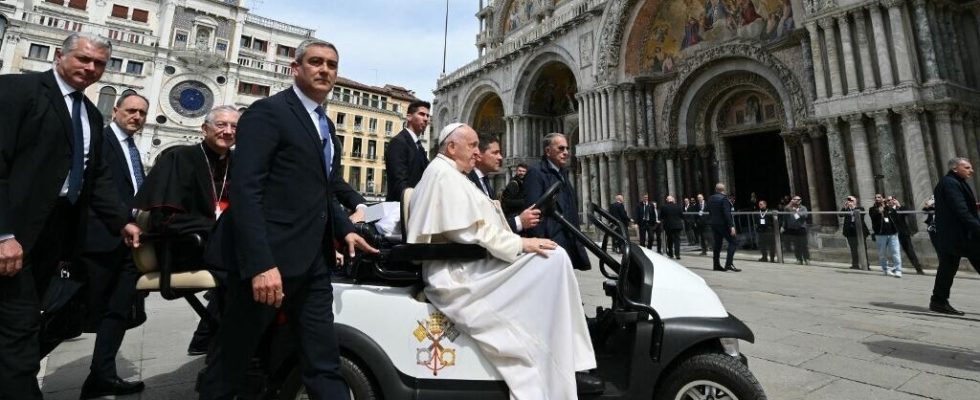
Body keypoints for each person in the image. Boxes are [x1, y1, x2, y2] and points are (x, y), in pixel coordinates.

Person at [197, 39, 377, 399]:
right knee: (232, 359)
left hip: (313, 263)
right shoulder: (268, 113)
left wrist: (345, 230)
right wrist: (261, 264)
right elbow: (246, 192)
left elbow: (323, 190)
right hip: (268, 264)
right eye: (315, 62)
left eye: (331, 64)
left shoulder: (326, 127)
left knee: (323, 359)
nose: (324, 69)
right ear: (296, 69)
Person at [407, 123, 602, 398]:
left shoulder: (450, 174)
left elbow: (476, 227)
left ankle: (569, 359)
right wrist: (522, 243)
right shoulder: (443, 176)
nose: (478, 153)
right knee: (552, 260)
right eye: (473, 146)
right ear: (452, 147)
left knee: (553, 256)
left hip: (466, 262)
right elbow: (471, 231)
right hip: (456, 274)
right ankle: (554, 362)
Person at [0, 32, 141, 400]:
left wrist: (121, 221)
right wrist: (3, 234)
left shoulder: (90, 115)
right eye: (83, 59)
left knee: (27, 321)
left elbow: (97, 179)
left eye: (99, 63)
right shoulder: (18, 91)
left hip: (56, 235)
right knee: (19, 324)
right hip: (14, 232)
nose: (90, 68)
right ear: (60, 55)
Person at [135, 105, 241, 356]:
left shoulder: (239, 163)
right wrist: (218, 229)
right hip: (184, 245)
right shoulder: (180, 157)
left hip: (224, 244)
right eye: (221, 125)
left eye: (234, 127)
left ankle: (212, 338)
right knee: (246, 268)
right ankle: (230, 345)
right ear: (204, 128)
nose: (228, 131)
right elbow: (164, 218)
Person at [78, 93, 150, 398]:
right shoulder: (101, 142)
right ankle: (17, 375)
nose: (136, 116)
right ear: (116, 110)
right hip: (99, 239)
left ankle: (102, 375)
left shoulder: (133, 148)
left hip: (128, 244)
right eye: (131, 111)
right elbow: (94, 188)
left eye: (142, 113)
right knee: (71, 314)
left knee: (117, 312)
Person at [524, 133, 591, 270]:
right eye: (561, 148)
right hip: (552, 243)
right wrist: (544, 241)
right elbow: (534, 213)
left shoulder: (562, 173)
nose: (566, 152)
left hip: (569, 239)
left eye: (567, 148)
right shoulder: (536, 173)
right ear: (548, 151)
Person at [930, 158, 980, 315]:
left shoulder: (953, 181)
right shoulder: (951, 183)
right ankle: (938, 301)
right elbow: (960, 210)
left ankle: (938, 301)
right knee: (948, 266)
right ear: (955, 168)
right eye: (967, 167)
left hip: (952, 236)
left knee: (947, 267)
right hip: (961, 236)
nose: (971, 170)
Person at [466, 132, 540, 233]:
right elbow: (479, 229)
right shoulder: (467, 182)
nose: (500, 157)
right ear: (478, 155)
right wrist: (519, 221)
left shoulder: (484, 181)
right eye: (495, 153)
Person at [384, 100, 430, 201]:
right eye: (422, 114)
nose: (426, 119)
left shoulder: (419, 146)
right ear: (409, 117)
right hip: (401, 209)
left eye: (427, 115)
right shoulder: (398, 142)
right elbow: (399, 183)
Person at [707, 183, 740, 272]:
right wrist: (731, 226)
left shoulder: (710, 198)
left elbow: (709, 210)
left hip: (714, 224)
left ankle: (716, 265)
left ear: (716, 189)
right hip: (723, 224)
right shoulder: (724, 199)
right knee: (733, 241)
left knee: (717, 244)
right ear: (723, 190)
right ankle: (729, 264)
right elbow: (727, 214)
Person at [869, 194, 903, 277]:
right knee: (882, 253)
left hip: (892, 233)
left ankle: (898, 270)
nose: (877, 199)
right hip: (880, 234)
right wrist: (879, 211)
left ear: (883, 199)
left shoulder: (889, 208)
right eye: (876, 198)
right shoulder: (872, 209)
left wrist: (889, 207)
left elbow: (896, 217)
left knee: (895, 252)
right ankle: (885, 269)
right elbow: (872, 217)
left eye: (879, 197)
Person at [890, 197, 924, 274]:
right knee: (895, 252)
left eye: (892, 200)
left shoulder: (900, 208)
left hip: (903, 233)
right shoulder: (888, 210)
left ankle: (918, 268)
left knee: (910, 251)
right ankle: (896, 267)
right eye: (889, 200)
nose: (891, 201)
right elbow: (892, 216)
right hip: (893, 234)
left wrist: (899, 206)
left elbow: (907, 213)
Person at [840, 196, 869, 270]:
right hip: (850, 231)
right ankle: (855, 264)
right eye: (848, 200)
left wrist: (853, 208)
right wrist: (845, 207)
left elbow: (861, 215)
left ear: (856, 201)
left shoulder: (860, 208)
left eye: (851, 200)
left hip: (860, 231)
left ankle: (866, 265)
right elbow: (840, 215)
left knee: (863, 248)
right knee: (853, 249)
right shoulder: (846, 209)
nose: (850, 201)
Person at [782, 195, 810, 264]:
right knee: (796, 245)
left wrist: (796, 212)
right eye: (794, 199)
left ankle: (806, 259)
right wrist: (790, 204)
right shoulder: (790, 208)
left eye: (797, 200)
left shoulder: (803, 208)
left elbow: (805, 216)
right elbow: (785, 210)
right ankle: (799, 259)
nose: (796, 201)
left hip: (801, 228)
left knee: (804, 245)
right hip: (793, 228)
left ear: (800, 201)